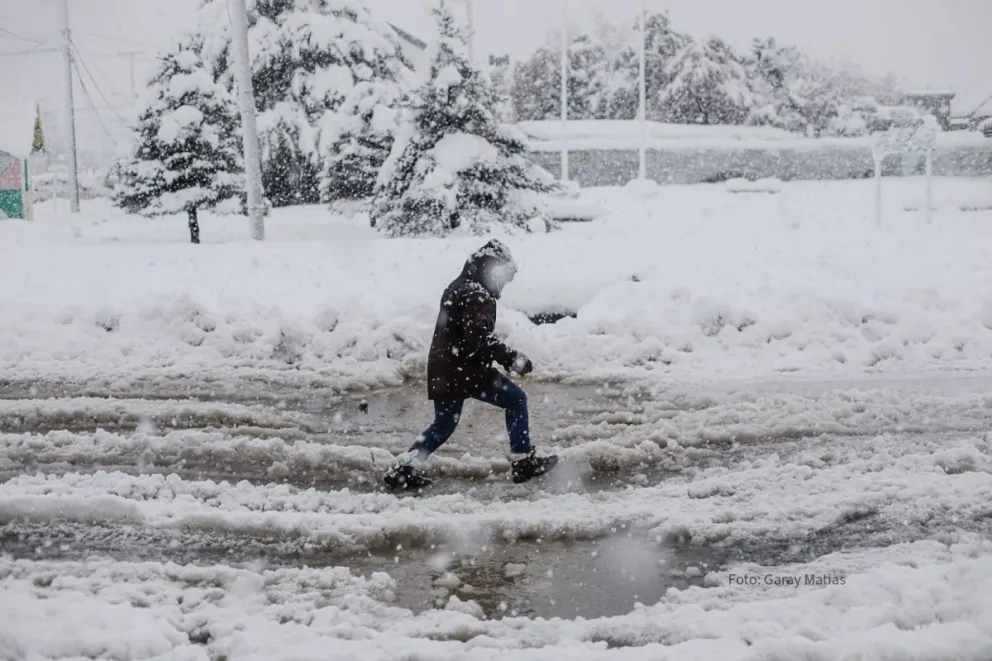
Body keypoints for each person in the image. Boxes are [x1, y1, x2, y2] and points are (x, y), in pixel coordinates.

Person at [383, 239, 559, 490]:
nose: (503, 285)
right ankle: (523, 460)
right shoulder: (476, 294)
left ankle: (405, 468)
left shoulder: (460, 287)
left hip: (447, 368)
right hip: (467, 370)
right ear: (492, 270)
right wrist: (511, 358)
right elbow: (479, 337)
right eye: (504, 278)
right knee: (515, 399)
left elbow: (469, 335)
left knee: (443, 425)